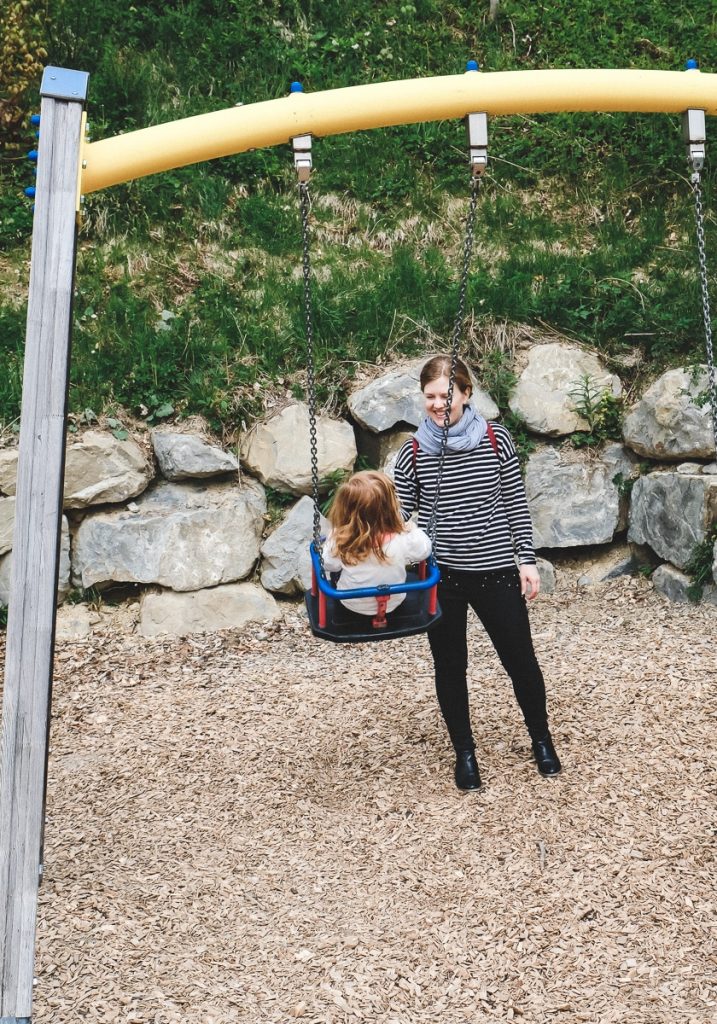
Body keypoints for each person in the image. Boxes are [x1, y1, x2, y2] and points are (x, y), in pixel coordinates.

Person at [393, 354, 561, 790]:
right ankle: (464, 753)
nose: (436, 404)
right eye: (428, 396)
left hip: (494, 571)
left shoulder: (495, 438)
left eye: (445, 395)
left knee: (520, 661)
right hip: (442, 575)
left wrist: (526, 559)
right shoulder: (413, 452)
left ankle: (541, 740)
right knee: (449, 666)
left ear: (466, 393)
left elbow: (514, 505)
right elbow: (401, 514)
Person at [323, 470, 432, 616]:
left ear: (346, 510)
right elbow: (424, 551)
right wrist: (411, 527)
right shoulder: (403, 536)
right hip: (394, 601)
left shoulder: (340, 538)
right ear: (391, 507)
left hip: (351, 603)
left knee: (338, 569)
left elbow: (328, 564)